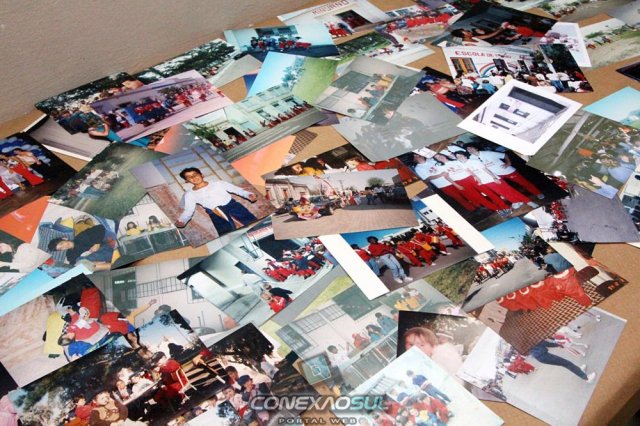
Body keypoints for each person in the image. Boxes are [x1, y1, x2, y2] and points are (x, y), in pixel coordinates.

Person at [175, 167, 258, 234]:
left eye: (195, 174)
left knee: (252, 223)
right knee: (227, 233)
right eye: (189, 177)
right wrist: (182, 220)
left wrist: (248, 195)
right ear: (187, 181)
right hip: (215, 212)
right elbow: (189, 210)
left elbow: (236, 189)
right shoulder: (189, 194)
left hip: (232, 205)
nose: (193, 177)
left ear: (202, 175)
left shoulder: (217, 183)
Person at [48, 224, 114, 270]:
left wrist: (97, 243)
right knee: (78, 264)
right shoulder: (69, 255)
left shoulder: (81, 237)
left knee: (80, 262)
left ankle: (109, 265)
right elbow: (73, 265)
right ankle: (107, 265)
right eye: (61, 248)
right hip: (95, 263)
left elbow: (100, 227)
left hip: (103, 250)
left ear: (64, 239)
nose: (64, 246)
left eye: (62, 243)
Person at [529, 340, 596, 382]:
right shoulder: (532, 337)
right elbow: (545, 343)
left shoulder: (525, 341)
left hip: (541, 357)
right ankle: (586, 378)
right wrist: (558, 344)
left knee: (566, 364)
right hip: (544, 355)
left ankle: (579, 370)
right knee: (567, 364)